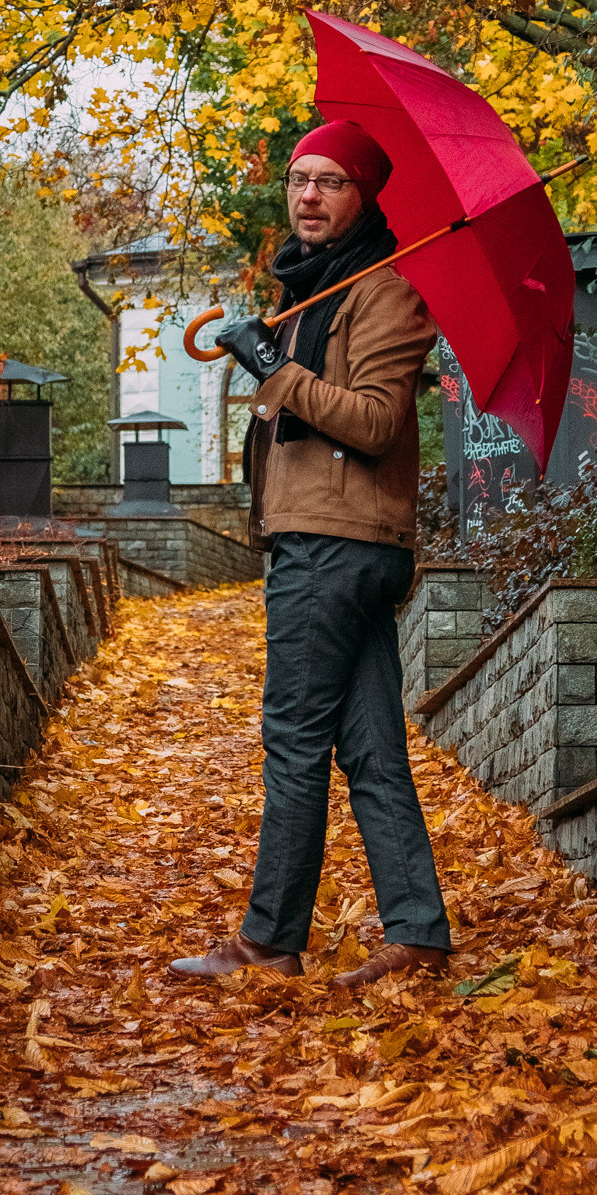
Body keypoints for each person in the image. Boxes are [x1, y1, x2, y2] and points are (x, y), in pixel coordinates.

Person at [168, 118, 453, 989]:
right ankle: (418, 934)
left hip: (336, 544)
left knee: (293, 736)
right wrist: (272, 350)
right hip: (326, 538)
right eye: (299, 180)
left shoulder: (387, 294)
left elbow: (375, 421)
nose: (309, 196)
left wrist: (274, 370)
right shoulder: (316, 292)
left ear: (363, 196)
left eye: (331, 181)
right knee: (368, 747)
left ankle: (268, 941)